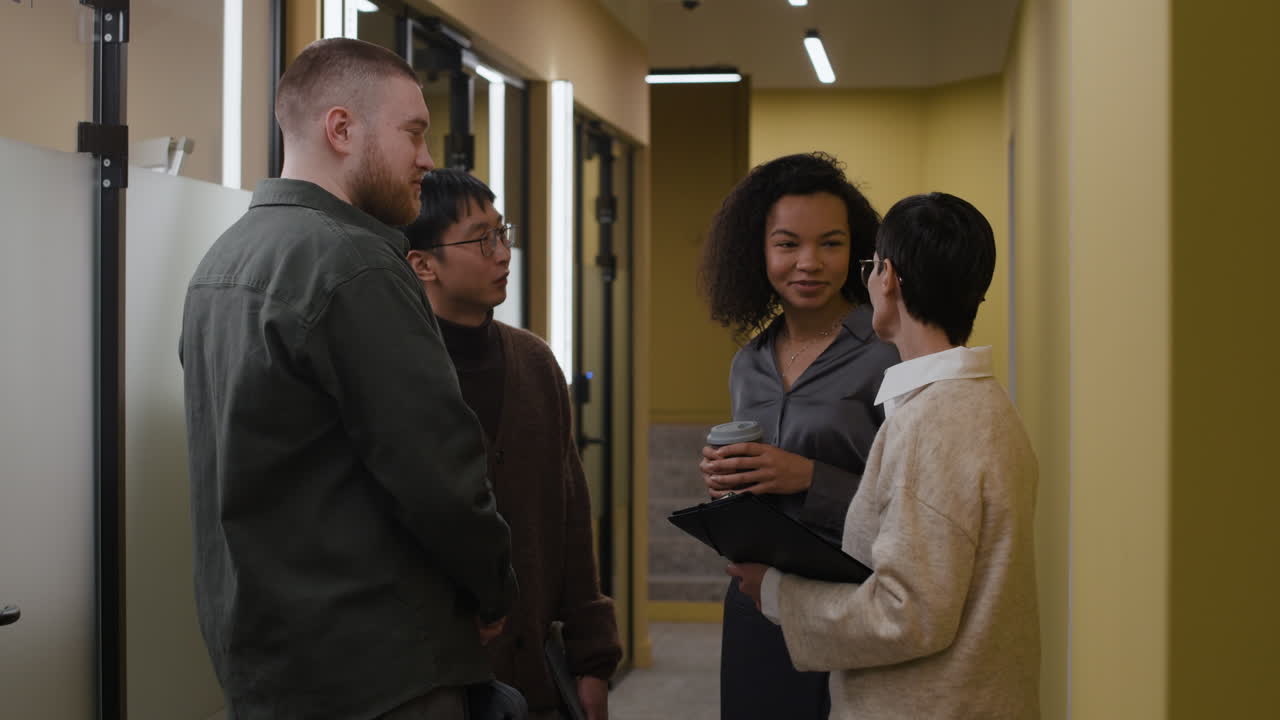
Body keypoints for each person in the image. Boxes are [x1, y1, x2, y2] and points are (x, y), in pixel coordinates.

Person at [179, 39, 517, 720]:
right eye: (413, 133)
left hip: (265, 659)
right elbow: (436, 473)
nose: (427, 158)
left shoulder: (221, 262)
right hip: (378, 667)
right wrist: (494, 586)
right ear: (341, 129)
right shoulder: (354, 264)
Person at [729, 193, 1041, 719]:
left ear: (887, 278)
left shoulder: (931, 423)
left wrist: (778, 594)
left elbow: (906, 614)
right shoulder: (987, 406)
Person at [401, 169, 621, 720]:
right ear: (423, 264)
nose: (503, 254)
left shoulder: (534, 361)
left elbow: (571, 516)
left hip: (538, 675)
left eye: (502, 233)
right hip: (434, 682)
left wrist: (592, 659)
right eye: (482, 240)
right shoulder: (401, 372)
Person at [697, 152, 900, 720]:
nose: (808, 263)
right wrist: (726, 482)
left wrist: (808, 477)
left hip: (850, 604)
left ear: (858, 252)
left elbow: (912, 502)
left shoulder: (888, 355)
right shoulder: (748, 363)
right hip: (756, 598)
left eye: (830, 244)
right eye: (787, 244)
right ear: (758, 251)